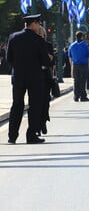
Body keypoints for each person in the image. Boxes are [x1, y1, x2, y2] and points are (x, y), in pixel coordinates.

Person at [6, 14, 51, 144]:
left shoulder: (13, 38)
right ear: (33, 24)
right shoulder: (38, 40)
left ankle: (12, 136)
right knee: (34, 106)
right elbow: (46, 61)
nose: (39, 27)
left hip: (18, 77)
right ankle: (31, 135)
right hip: (35, 78)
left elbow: (9, 59)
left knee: (17, 105)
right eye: (38, 24)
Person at [37, 24, 55, 136]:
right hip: (35, 75)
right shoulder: (32, 44)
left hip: (46, 75)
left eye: (41, 33)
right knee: (36, 101)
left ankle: (43, 120)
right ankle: (37, 125)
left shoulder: (48, 45)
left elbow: (52, 62)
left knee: (46, 101)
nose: (39, 35)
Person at [69, 31, 89, 102]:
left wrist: (72, 66)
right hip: (83, 65)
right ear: (82, 37)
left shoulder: (72, 45)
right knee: (83, 81)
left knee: (76, 81)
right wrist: (88, 65)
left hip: (75, 65)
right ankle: (83, 96)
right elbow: (88, 57)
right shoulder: (85, 45)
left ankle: (76, 96)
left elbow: (70, 57)